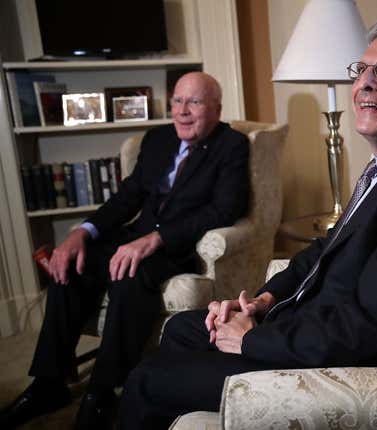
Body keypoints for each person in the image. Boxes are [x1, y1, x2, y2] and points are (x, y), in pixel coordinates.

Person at [119, 13, 377, 429]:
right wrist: (262, 303)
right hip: (305, 323)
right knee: (184, 330)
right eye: (362, 70)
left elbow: (370, 329)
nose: (365, 83)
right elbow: (324, 251)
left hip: (331, 363)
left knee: (147, 379)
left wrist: (252, 338)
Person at [0, 72, 250, 430]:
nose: (182, 111)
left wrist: (156, 238)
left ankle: (103, 391)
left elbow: (223, 209)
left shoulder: (232, 145)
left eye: (194, 102)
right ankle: (48, 383)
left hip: (174, 245)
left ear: (216, 108)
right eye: (177, 101)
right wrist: (82, 232)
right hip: (133, 236)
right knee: (72, 265)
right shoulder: (158, 139)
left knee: (132, 277)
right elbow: (128, 196)